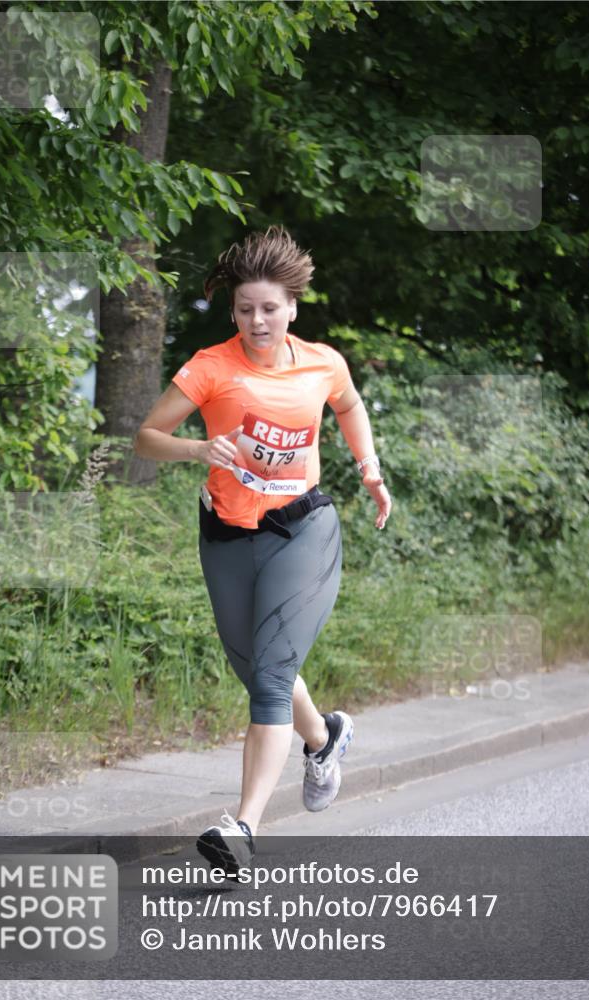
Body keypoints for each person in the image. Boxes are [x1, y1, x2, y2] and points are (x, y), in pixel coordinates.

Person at [134, 225, 391, 875]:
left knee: (272, 676)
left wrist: (369, 470)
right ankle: (324, 736)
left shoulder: (322, 362)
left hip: (302, 529)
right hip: (225, 532)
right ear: (233, 312)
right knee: (253, 668)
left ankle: (241, 827)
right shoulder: (210, 367)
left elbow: (350, 405)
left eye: (269, 308)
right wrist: (197, 448)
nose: (257, 320)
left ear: (292, 308)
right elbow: (145, 437)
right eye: (245, 308)